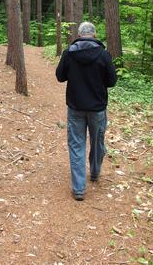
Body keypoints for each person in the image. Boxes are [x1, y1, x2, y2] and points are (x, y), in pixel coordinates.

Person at [55, 21, 117, 201]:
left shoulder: (69, 53)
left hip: (75, 107)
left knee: (76, 145)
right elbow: (112, 81)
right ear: (94, 34)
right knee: (97, 141)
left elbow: (60, 76)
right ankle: (95, 172)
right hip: (97, 108)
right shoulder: (103, 55)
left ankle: (79, 188)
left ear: (80, 34)